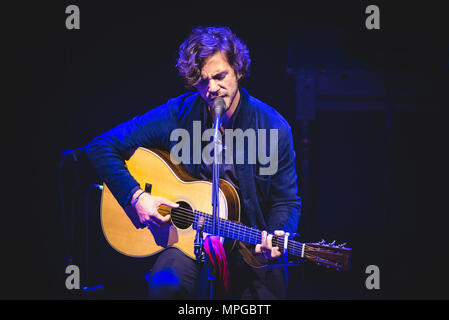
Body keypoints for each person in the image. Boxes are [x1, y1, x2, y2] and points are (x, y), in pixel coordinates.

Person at [86, 26, 301, 299]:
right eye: (202, 81)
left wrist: (279, 234)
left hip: (247, 245)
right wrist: (136, 197)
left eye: (220, 76)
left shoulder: (273, 128)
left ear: (238, 69)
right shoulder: (178, 114)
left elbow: (286, 201)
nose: (211, 89)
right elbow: (101, 146)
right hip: (187, 241)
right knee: (166, 287)